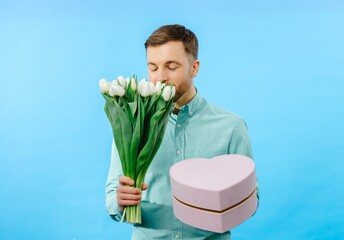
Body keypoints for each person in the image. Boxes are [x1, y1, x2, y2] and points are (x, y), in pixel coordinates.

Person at [105, 24, 257, 240]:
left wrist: (219, 201)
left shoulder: (231, 127)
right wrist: (120, 202)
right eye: (153, 67)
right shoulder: (130, 126)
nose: (160, 77)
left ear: (194, 68)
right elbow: (111, 198)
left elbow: (251, 199)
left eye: (171, 66)